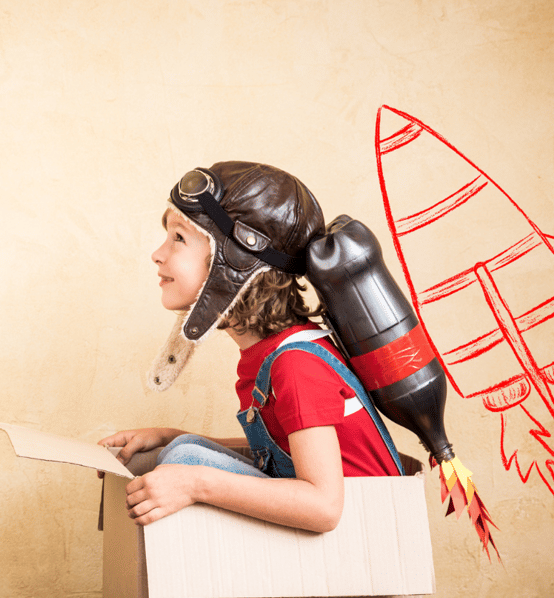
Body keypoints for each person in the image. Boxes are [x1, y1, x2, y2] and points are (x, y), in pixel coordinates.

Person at [99, 161, 402, 533]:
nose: (158, 254)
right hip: (341, 529)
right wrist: (171, 437)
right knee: (183, 450)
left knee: (187, 462)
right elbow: (285, 452)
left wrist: (195, 481)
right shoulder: (268, 356)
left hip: (366, 538)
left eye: (178, 238)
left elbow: (324, 507)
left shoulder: (296, 365)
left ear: (237, 259)